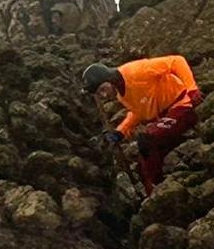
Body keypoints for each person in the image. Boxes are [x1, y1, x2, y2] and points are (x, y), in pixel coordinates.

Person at [82, 56, 203, 194]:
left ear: (109, 79)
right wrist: (121, 131)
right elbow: (139, 111)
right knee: (142, 161)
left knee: (147, 140)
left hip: (181, 106)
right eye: (99, 94)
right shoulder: (121, 94)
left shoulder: (136, 71)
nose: (104, 95)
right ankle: (153, 194)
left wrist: (192, 89)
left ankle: (161, 190)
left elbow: (176, 61)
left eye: (103, 89)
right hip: (165, 117)